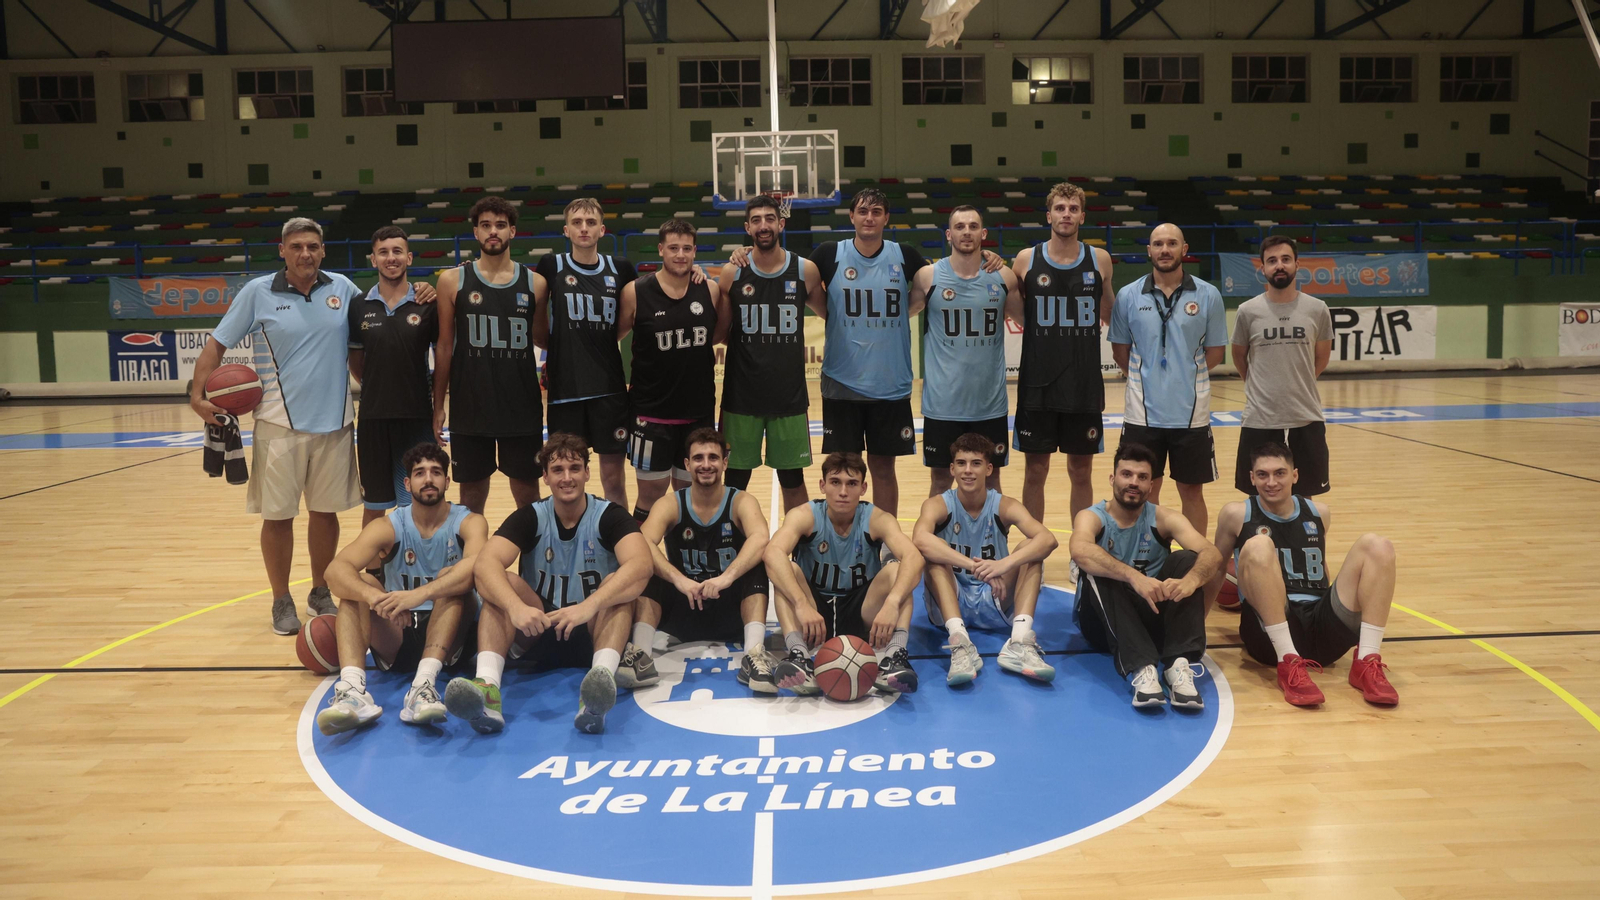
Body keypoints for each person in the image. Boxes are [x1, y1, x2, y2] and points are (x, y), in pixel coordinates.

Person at [730, 187, 1000, 516]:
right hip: (842, 384)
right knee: (844, 473)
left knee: (884, 470)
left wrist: (987, 256)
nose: (869, 217)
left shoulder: (906, 256)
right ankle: (846, 540)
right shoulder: (829, 255)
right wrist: (744, 253)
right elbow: (796, 280)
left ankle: (884, 545)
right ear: (852, 216)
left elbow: (942, 277)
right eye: (862, 211)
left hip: (890, 385)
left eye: (876, 212)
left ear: (886, 217)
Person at [190, 217, 364, 636]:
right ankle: (280, 599)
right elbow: (216, 346)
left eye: (314, 246)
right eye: (298, 246)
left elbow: (386, 307)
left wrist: (422, 290)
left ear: (323, 251)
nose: (306, 253)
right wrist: (197, 396)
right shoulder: (258, 292)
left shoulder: (343, 288)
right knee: (279, 516)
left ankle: (320, 591)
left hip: (336, 423)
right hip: (277, 423)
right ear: (283, 251)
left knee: (325, 514)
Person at [445, 433, 653, 735]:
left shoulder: (609, 516)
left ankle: (597, 688)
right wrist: (515, 608)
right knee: (503, 584)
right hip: (537, 628)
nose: (567, 478)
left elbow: (641, 565)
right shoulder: (530, 516)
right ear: (545, 477)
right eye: (557, 470)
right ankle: (487, 689)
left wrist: (588, 605)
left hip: (595, 630)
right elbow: (485, 565)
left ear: (587, 473)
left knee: (617, 586)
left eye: (574, 468)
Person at [1209, 441, 1399, 708]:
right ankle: (1288, 662)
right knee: (1259, 544)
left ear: (1294, 475)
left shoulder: (1319, 513)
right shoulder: (1236, 513)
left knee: (1378, 545)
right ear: (1252, 478)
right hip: (1269, 634)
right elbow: (1217, 568)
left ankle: (1367, 660)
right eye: (1262, 475)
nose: (1271, 482)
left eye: (1280, 473)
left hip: (1321, 629)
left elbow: (1322, 569)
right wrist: (1196, 629)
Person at [315, 443, 488, 734]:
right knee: (359, 585)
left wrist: (419, 594)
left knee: (453, 577)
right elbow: (334, 571)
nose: (429, 479)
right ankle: (354, 690)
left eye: (436, 472)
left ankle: (424, 685)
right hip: (398, 633)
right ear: (408, 483)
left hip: (452, 633)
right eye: (420, 473)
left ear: (447, 480)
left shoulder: (469, 522)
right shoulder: (390, 526)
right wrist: (377, 598)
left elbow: (476, 570)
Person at [1069, 442, 1222, 709]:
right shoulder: (1092, 516)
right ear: (1112, 478)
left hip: (1151, 617)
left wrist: (1191, 580)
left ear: (1151, 486)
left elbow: (1211, 553)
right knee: (1099, 567)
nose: (1133, 482)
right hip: (1100, 623)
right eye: (1126, 474)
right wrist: (1132, 576)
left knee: (1188, 560)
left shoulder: (1163, 517)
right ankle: (1142, 669)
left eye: (1142, 477)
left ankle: (1178, 667)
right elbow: (1079, 550)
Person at [764, 451, 925, 695]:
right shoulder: (805, 515)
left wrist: (892, 603)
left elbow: (914, 557)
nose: (843, 492)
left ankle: (895, 658)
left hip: (861, 610)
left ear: (863, 488)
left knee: (898, 572)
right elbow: (772, 553)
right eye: (835, 482)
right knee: (788, 569)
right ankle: (799, 656)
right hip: (814, 611)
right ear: (822, 485)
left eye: (851, 484)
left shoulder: (876, 518)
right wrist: (800, 605)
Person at [628, 428, 774, 693]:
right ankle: (640, 656)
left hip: (731, 609)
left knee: (758, 564)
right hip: (685, 607)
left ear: (725, 463)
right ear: (687, 464)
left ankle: (754, 655)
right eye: (698, 458)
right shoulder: (671, 503)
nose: (706, 465)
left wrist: (726, 578)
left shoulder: (741, 501)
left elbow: (761, 537)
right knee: (646, 565)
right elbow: (642, 542)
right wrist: (680, 580)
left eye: (713, 458)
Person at [1009, 182, 1115, 540]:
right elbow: (1018, 310)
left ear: (1082, 216)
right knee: (1035, 471)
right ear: (1049, 214)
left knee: (1081, 472)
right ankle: (1032, 549)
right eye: (1060, 208)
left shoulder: (1099, 259)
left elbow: (1110, 310)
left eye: (1073, 208)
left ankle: (1081, 548)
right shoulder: (1026, 258)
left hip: (1083, 386)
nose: (1066, 214)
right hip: (1037, 385)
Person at [911, 433, 1058, 686]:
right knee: (934, 551)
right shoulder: (937, 505)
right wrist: (974, 566)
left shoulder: (1004, 505)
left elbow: (1048, 539)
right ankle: (960, 642)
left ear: (989, 469)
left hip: (996, 597)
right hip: (951, 599)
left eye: (976, 463)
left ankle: (1019, 643)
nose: (968, 471)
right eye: (961, 463)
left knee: (1030, 549)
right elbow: (920, 540)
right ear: (952, 469)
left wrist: (1003, 565)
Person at [1108, 224, 1227, 536]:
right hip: (1141, 414)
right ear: (1148, 251)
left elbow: (1215, 352)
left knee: (1192, 493)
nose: (1164, 250)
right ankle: (1147, 555)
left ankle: (1193, 559)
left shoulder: (1208, 294)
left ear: (1184, 250)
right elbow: (1121, 351)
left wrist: (1185, 374)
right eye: (1158, 244)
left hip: (1191, 416)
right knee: (1144, 491)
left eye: (1171, 243)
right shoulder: (1128, 295)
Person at [431, 195, 546, 515]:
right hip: (470, 405)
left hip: (521, 405)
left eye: (500, 225)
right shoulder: (452, 281)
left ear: (513, 231)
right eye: (485, 226)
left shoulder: (536, 283)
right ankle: (472, 565)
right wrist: (438, 405)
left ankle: (532, 565)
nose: (493, 231)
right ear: (476, 233)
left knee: (527, 495)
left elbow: (543, 338)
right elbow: (443, 346)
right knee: (470, 498)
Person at [717, 195, 825, 514]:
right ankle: (732, 549)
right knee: (735, 481)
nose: (763, 225)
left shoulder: (805, 270)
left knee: (793, 480)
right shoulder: (731, 274)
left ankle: (801, 549)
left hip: (788, 398)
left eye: (769, 218)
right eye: (756, 220)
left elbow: (834, 315)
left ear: (781, 223)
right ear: (747, 227)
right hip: (741, 398)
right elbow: (719, 334)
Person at [622, 219, 728, 523]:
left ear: (695, 251)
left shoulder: (709, 289)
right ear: (660, 250)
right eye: (673, 248)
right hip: (651, 414)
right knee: (650, 498)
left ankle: (685, 561)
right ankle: (643, 563)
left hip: (697, 414)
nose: (680, 254)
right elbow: (613, 338)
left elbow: (718, 336)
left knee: (692, 495)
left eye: (686, 248)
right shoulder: (636, 292)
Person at [534, 198, 638, 509]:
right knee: (566, 477)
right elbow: (540, 328)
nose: (583, 228)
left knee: (613, 478)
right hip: (566, 390)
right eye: (577, 222)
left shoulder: (620, 269)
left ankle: (619, 542)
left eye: (590, 223)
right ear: (566, 229)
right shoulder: (551, 266)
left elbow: (622, 326)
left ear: (602, 230)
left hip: (609, 389)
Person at [912, 206, 1021, 497]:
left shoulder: (1004, 277)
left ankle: (994, 542)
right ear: (949, 234)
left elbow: (1029, 322)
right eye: (959, 227)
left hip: (989, 403)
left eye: (973, 226)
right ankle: (932, 542)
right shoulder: (928, 277)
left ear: (983, 234)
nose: (967, 232)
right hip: (942, 404)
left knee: (992, 482)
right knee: (939, 482)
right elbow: (898, 314)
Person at [348, 225, 440, 526]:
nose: (391, 258)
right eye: (383, 252)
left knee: (420, 500)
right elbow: (357, 362)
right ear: (372, 259)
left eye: (397, 251)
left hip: (417, 419)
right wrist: (380, 388)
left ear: (409, 258)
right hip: (373, 419)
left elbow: (442, 357)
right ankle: (375, 571)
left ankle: (421, 569)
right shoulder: (358, 306)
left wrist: (438, 408)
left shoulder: (427, 303)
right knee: (375, 506)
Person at [1231, 235, 1334, 498]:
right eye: (1272, 260)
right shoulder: (1247, 311)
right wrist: (1259, 385)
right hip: (1260, 418)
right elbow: (1240, 357)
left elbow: (1321, 357)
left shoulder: (1317, 309)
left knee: (1305, 496)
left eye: (1286, 259)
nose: (1280, 265)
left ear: (1297, 265)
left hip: (1306, 416)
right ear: (1262, 269)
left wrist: (1300, 383)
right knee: (1259, 495)